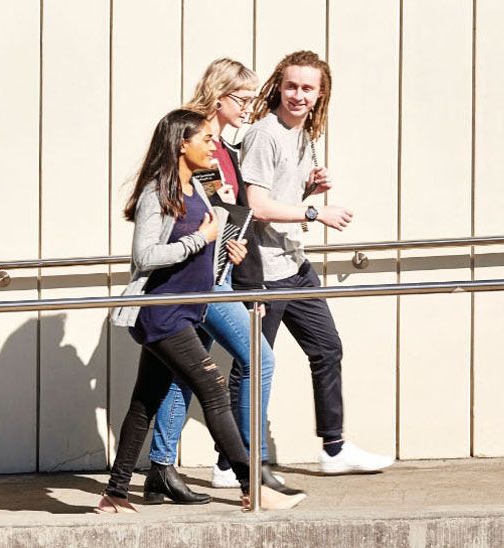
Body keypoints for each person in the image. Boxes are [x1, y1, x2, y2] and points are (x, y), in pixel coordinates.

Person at [99, 109, 306, 513]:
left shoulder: (195, 188)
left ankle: (115, 493)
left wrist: (225, 252)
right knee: (213, 390)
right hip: (163, 313)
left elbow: (200, 257)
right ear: (182, 144)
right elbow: (145, 256)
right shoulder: (156, 194)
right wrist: (200, 239)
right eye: (206, 140)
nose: (214, 146)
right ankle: (252, 488)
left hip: (186, 310)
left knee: (145, 401)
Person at [145, 59, 297, 502]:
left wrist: (232, 247)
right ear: (219, 96)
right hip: (199, 279)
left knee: (184, 374)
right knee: (259, 361)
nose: (250, 107)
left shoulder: (224, 149)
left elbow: (224, 216)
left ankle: (161, 468)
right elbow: (191, 208)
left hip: (219, 271)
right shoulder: (197, 142)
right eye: (243, 99)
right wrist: (213, 246)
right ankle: (248, 465)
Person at [235, 50, 394, 474]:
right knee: (252, 364)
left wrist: (306, 190)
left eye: (307, 88)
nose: (298, 95)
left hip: (295, 265)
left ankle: (334, 449)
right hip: (263, 273)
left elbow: (279, 199)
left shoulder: (304, 135)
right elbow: (258, 206)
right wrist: (314, 212)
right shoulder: (263, 135)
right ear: (278, 86)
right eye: (291, 86)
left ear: (320, 94)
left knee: (327, 349)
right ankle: (230, 460)